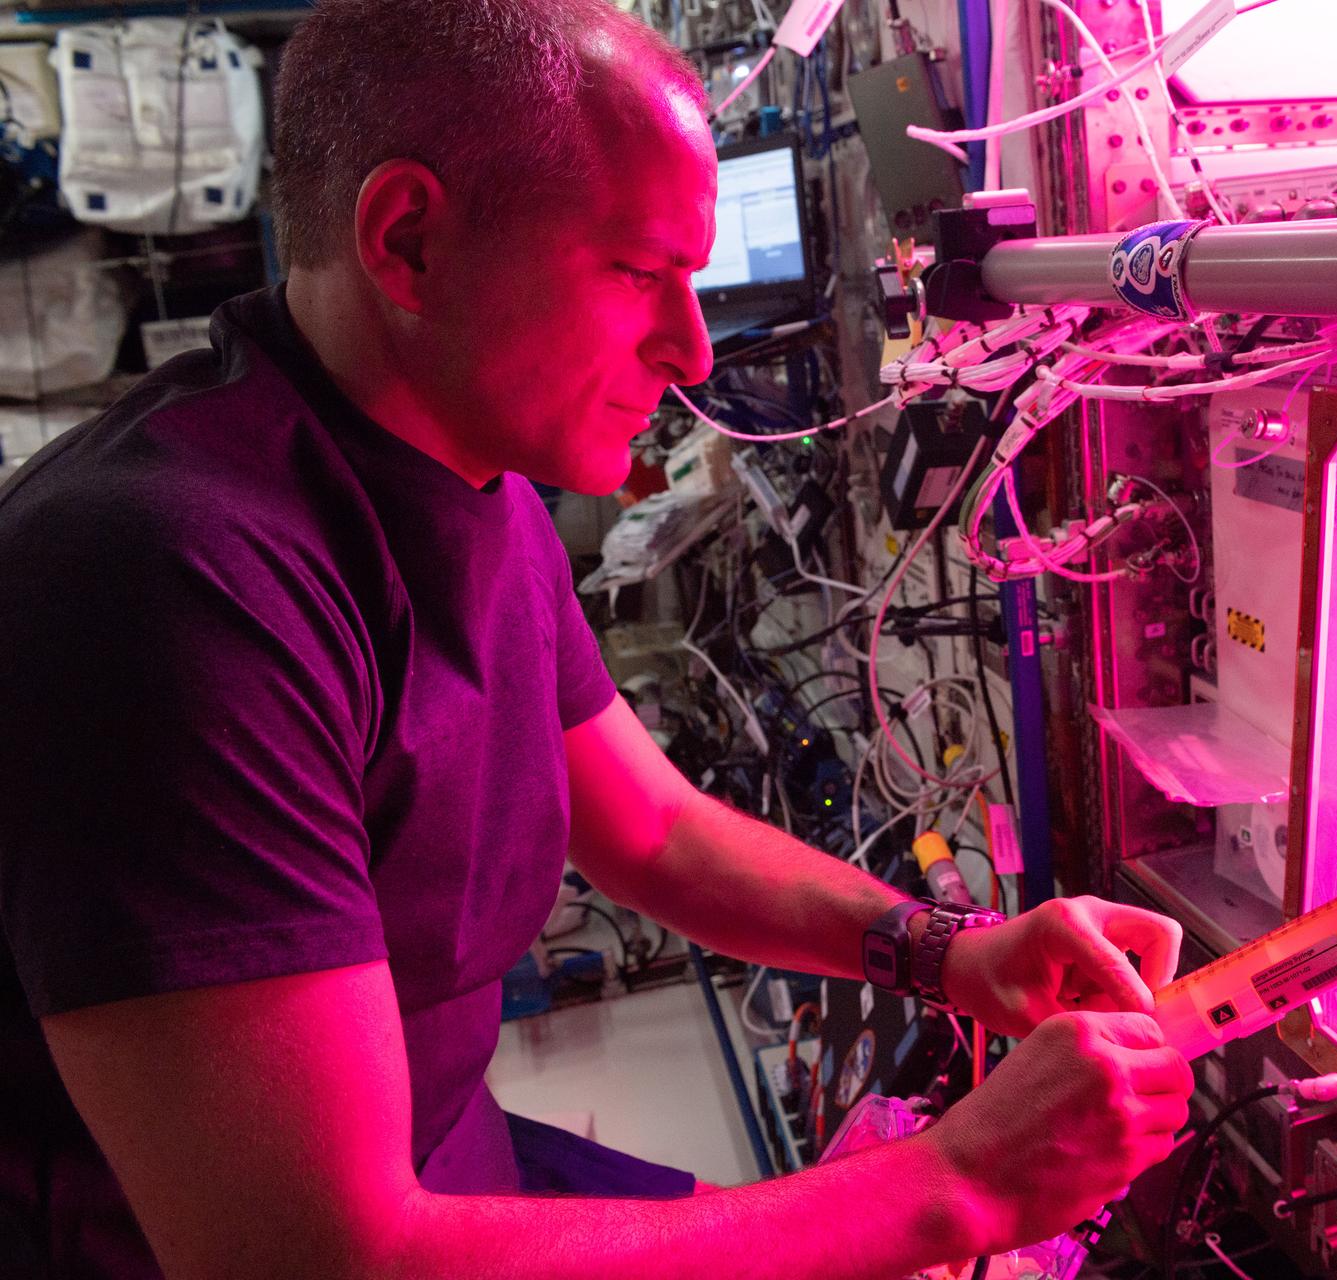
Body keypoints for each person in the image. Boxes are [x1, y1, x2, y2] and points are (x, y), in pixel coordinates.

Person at [0, 2, 1195, 1277]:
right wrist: (960, 1182)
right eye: (638, 273)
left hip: (447, 1161)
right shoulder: (166, 582)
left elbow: (653, 828)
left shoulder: (467, 479)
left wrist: (951, 952)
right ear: (409, 241)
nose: (689, 350)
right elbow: (311, 1255)